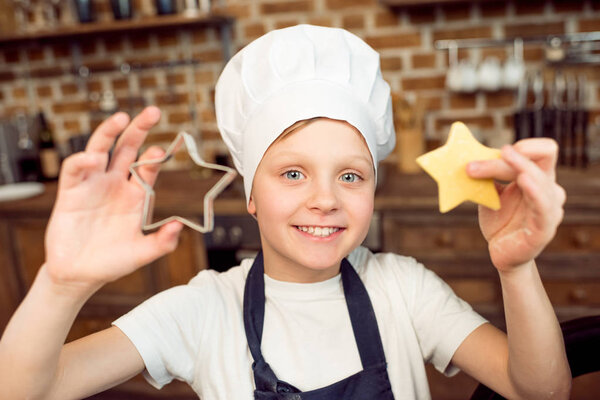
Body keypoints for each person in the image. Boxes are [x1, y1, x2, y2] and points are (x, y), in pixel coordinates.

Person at [0, 25, 571, 400]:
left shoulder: (404, 290)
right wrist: (60, 284)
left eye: (350, 175)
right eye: (292, 173)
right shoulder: (202, 310)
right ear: (250, 192)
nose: (325, 198)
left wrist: (516, 269)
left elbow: (540, 392)